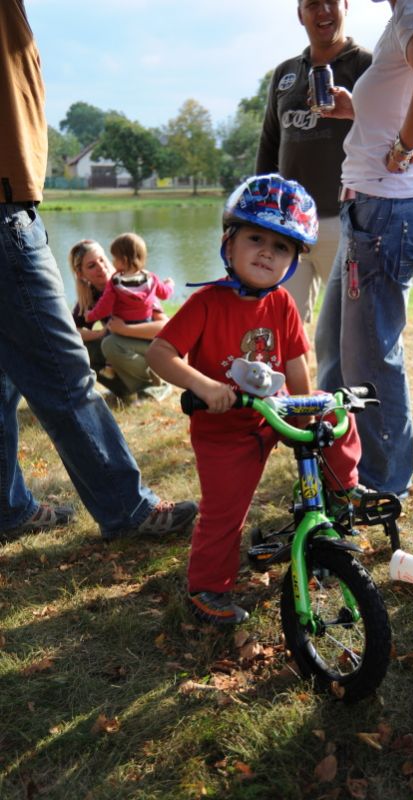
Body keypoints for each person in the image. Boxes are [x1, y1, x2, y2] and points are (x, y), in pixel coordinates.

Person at [0, 0, 197, 541]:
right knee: (65, 372)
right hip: (4, 212)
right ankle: (127, 510)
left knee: (2, 380)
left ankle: (6, 508)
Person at [147, 174, 368, 626]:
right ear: (229, 244)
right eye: (255, 238)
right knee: (225, 511)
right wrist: (204, 387)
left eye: (282, 246)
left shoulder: (283, 304)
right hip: (225, 430)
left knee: (334, 409)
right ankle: (208, 587)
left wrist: (307, 405)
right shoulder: (208, 303)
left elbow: (295, 363)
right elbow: (160, 353)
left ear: (292, 260)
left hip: (275, 414)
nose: (267, 251)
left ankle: (345, 493)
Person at [316, 0, 413, 498]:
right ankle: (342, 462)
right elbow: (406, 93)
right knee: (335, 351)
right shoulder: (402, 17)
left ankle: (382, 486)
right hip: (369, 213)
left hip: (386, 214)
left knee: (371, 359)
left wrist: (401, 147)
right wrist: (354, 107)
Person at [255, 0, 371, 323]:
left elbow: (391, 130)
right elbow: (269, 144)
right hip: (289, 223)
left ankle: (351, 377)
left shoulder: (369, 66)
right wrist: (262, 212)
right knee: (282, 324)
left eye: (330, 2)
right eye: (312, 5)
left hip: (349, 221)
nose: (323, 11)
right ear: (300, 14)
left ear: (346, 6)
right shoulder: (285, 74)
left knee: (353, 325)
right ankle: (295, 377)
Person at [70, 238, 173, 401]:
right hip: (124, 346)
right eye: (92, 265)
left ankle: (157, 386)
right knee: (80, 350)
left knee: (110, 344)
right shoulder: (90, 297)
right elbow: (70, 332)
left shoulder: (132, 283)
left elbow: (164, 328)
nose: (101, 267)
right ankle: (126, 391)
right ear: (81, 274)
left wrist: (124, 329)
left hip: (155, 348)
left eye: (102, 260)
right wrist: (101, 333)